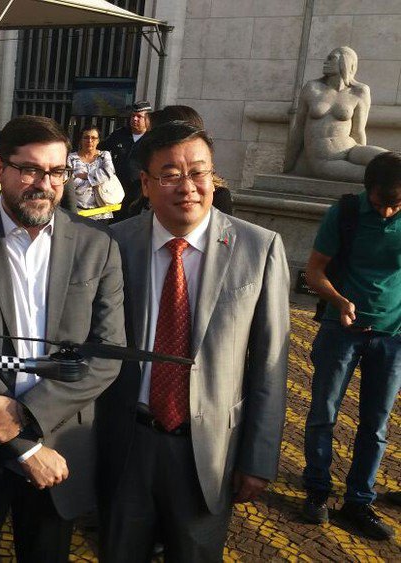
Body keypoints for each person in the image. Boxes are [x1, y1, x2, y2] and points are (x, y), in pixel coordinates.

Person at [0, 115, 125, 561]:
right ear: (0, 168)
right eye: (30, 170)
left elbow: (106, 354)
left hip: (60, 449)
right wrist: (24, 447)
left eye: (56, 172)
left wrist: (27, 418)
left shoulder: (97, 244)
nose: (45, 184)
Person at [97, 121, 290, 562]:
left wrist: (259, 458)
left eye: (199, 172)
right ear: (145, 184)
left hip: (210, 449)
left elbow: (270, 364)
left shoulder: (258, 248)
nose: (188, 187)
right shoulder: (114, 244)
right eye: (170, 174)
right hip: (128, 441)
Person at [300, 151, 401, 540]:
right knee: (323, 413)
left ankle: (359, 501)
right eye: (381, 203)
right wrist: (339, 301)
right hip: (340, 330)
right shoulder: (344, 214)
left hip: (392, 337)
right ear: (367, 191)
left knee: (376, 424)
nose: (388, 211)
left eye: (396, 204)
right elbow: (314, 270)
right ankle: (317, 490)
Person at [284, 47, 387, 183]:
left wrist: (362, 159)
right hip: (323, 158)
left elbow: (358, 131)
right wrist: (289, 165)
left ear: (345, 62)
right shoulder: (312, 88)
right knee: (375, 176)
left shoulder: (359, 91)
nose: (325, 61)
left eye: (331, 58)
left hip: (351, 149)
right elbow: (298, 128)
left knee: (391, 161)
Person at [148, 105, 234, 214]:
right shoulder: (143, 192)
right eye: (170, 175)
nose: (186, 188)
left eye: (197, 173)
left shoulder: (217, 198)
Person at [100, 100, 151, 221]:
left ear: (147, 119)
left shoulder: (152, 138)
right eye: (133, 116)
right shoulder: (120, 134)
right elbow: (99, 150)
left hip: (139, 194)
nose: (135, 119)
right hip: (115, 191)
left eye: (139, 116)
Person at [69, 125, 117, 220]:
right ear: (81, 140)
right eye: (86, 137)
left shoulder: (104, 155)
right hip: (78, 212)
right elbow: (70, 182)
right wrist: (98, 181)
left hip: (102, 213)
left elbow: (108, 173)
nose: (90, 141)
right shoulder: (71, 158)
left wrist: (86, 176)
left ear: (98, 140)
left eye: (93, 138)